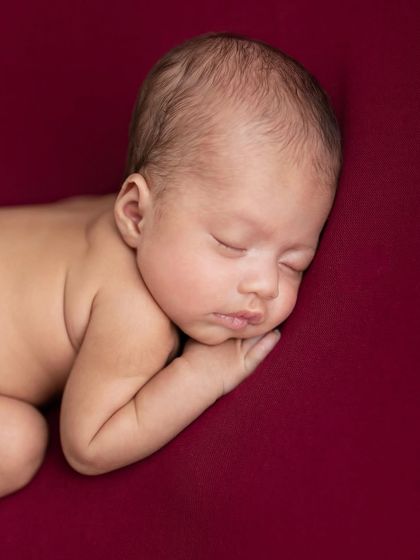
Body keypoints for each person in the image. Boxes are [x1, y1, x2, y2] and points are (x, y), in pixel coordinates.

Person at [0, 32, 342, 497]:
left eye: (293, 262)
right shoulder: (135, 314)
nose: (264, 285)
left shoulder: (119, 215)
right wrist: (203, 375)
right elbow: (89, 445)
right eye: (231, 244)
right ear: (136, 213)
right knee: (16, 442)